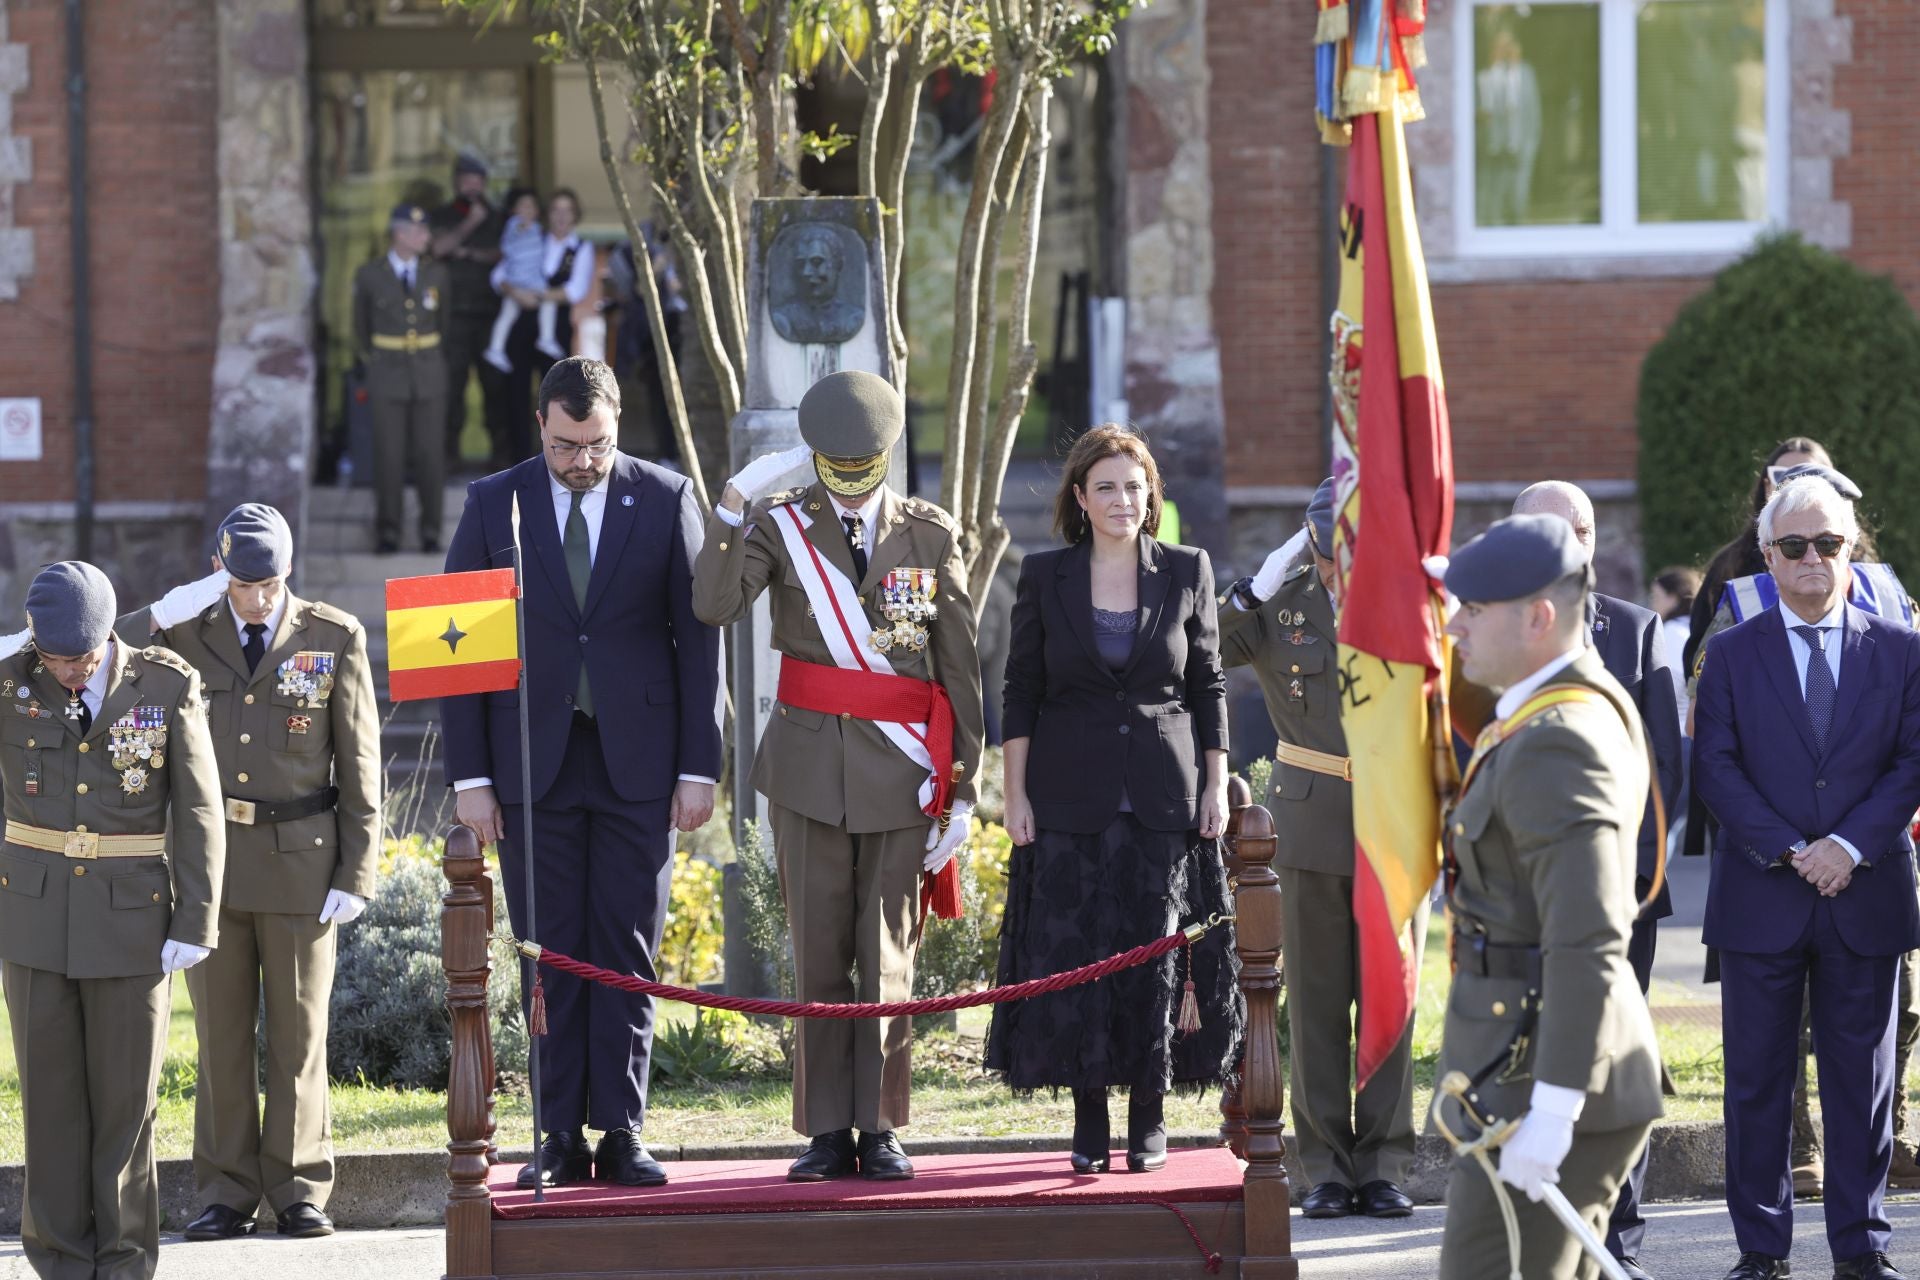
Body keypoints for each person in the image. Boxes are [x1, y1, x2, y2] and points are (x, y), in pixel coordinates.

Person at [692, 370, 985, 1182]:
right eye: (837, 465)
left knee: (887, 955)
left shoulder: (929, 533)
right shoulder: (778, 527)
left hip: (901, 774)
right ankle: (825, 1129)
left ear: (887, 456)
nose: (851, 482)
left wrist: (964, 788)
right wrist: (730, 504)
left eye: (865, 465)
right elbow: (714, 607)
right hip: (809, 771)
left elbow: (957, 667)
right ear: (815, 460)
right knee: (818, 954)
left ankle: (881, 1125)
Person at [443, 356, 725, 1188]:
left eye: (597, 444)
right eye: (567, 446)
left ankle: (624, 1131)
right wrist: (470, 776)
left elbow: (698, 642)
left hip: (640, 763)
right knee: (550, 955)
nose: (583, 462)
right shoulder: (496, 502)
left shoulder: (668, 496)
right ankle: (557, 1134)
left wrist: (698, 766)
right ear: (541, 426)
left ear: (617, 424)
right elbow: (457, 645)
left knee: (628, 952)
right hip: (532, 767)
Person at [120, 503, 383, 1242]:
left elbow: (360, 765)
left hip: (302, 861)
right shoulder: (183, 636)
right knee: (221, 1037)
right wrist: (171, 607)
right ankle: (226, 1190)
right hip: (212, 869)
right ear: (219, 573)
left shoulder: (332, 637)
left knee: (299, 1036)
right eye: (242, 583)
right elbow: (107, 649)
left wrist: (356, 871)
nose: (259, 598)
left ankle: (300, 1188)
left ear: (288, 571)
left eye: (269, 582)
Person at [987, 424, 1242, 1176]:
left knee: (1155, 960)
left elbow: (1209, 685)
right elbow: (1021, 691)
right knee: (1082, 959)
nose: (1123, 500)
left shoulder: (1187, 569)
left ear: (1151, 495)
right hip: (1067, 795)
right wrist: (1015, 794)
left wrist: (1216, 780)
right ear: (1080, 499)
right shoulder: (1044, 576)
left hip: (1165, 795)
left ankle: (1150, 1114)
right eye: (1107, 487)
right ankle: (1090, 1118)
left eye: (1135, 487)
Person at [1693, 473, 1920, 1280]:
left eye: (1831, 543)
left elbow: (1911, 763)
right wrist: (1795, 849)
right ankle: (1762, 1250)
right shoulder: (1729, 654)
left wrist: (1847, 848)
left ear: (1851, 547)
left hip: (1867, 892)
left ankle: (1862, 1250)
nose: (1815, 559)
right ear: (1767, 556)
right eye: (1796, 546)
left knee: (1863, 1087)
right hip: (1764, 894)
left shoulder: (1900, 648)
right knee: (1758, 1083)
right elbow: (1715, 769)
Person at [1433, 514, 1664, 1280]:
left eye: (1472, 609)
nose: (1454, 627)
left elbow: (1589, 938)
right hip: (1527, 1060)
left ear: (1537, 618)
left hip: (1543, 1077)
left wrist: (1556, 1107)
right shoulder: (1560, 698)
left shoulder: (1559, 737)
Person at [1, 561, 226, 1279]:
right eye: (56, 657)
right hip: (33, 918)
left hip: (132, 920)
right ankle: (61, 1261)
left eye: (83, 658)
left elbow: (197, 810)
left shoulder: (165, 684)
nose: (69, 672)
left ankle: (126, 1260)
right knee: (50, 1103)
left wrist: (196, 918)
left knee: (128, 1105)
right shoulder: (10, 682)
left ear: (107, 637)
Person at [1216, 477, 1416, 1217]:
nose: (1342, 564)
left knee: (1390, 1002)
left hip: (1395, 816)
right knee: (1320, 1000)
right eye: (1330, 549)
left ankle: (1386, 1161)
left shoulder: (1408, 598)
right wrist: (1253, 590)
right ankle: (1324, 1166)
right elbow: (1198, 650)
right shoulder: (1286, 599)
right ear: (1311, 541)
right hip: (1311, 815)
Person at [1510, 481, 1684, 1280]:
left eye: (1566, 530)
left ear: (1588, 534)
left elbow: (1666, 772)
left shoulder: (1641, 633)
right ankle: (1536, 1243)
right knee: (1526, 1062)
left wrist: (1631, 880)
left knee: (1614, 1067)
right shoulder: (1482, 628)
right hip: (1516, 900)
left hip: (1619, 896)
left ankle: (1617, 1242)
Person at [354, 202, 451, 554]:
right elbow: (361, 330)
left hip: (428, 373)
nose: (425, 237)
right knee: (389, 455)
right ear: (399, 233)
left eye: (425, 230)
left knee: (430, 455)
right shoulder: (369, 275)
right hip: (387, 374)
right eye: (418, 231)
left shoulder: (436, 274)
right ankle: (389, 530)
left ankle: (431, 530)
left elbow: (446, 327)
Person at [492, 188, 596, 466]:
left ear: (575, 216)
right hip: (521, 325)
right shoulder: (532, 237)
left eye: (567, 211)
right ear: (547, 215)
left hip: (555, 331)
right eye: (555, 210)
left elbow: (574, 290)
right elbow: (499, 275)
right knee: (516, 392)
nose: (561, 217)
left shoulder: (581, 248)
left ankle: (554, 459)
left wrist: (536, 295)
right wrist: (516, 293)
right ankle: (518, 459)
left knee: (554, 398)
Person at [429, 152, 507, 466]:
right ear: (457, 182)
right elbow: (438, 249)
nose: (471, 185)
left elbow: (507, 254)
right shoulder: (444, 215)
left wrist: (469, 253)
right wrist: (469, 224)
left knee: (495, 389)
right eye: (465, 179)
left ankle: (502, 458)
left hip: (492, 316)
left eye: (476, 180)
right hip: (455, 318)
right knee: (452, 389)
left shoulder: (499, 217)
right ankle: (450, 456)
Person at [482, 189, 565, 373]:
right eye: (523, 206)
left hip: (527, 280)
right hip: (523, 278)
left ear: (537, 211)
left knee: (509, 314)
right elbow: (509, 245)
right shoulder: (516, 226)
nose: (527, 210)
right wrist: (521, 226)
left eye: (531, 206)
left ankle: (497, 348)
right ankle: (544, 338)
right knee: (543, 304)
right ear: (514, 211)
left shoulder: (540, 232)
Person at [1649, 566, 1700, 734]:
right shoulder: (1697, 629)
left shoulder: (1670, 631)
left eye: (1656, 597)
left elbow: (1667, 692)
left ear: (1673, 598)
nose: (1653, 604)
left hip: (1678, 732)